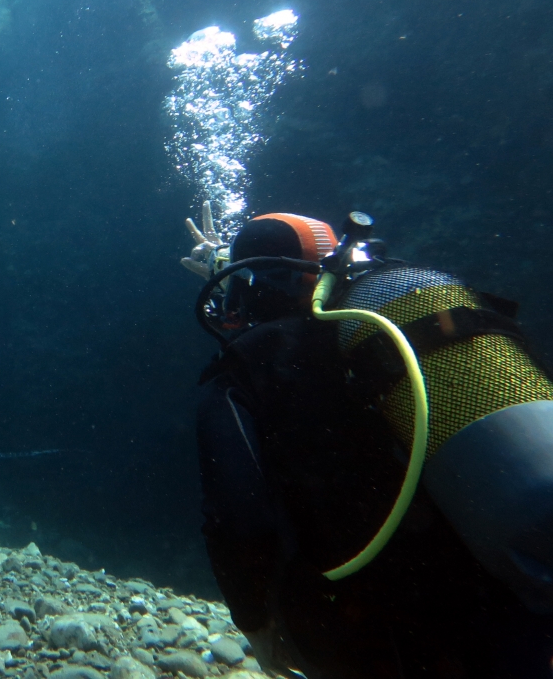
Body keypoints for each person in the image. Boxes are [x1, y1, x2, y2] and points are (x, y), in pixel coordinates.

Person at [181, 202, 553, 678]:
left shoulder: (248, 368)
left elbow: (238, 518)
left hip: (386, 632)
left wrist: (254, 620)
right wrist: (228, 263)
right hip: (513, 598)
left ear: (251, 284)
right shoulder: (407, 334)